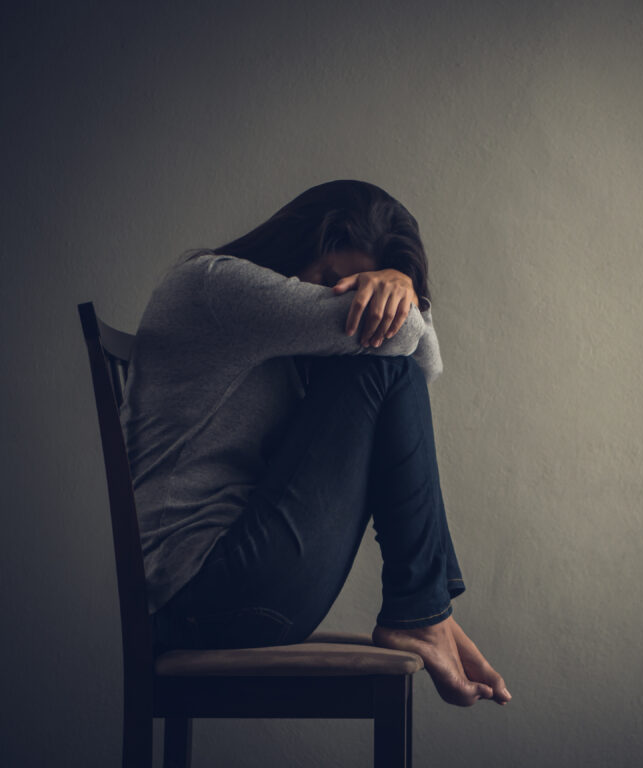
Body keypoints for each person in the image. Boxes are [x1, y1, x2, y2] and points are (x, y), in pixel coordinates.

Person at [121, 180, 510, 707]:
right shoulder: (217, 286)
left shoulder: (282, 345)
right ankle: (423, 611)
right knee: (382, 371)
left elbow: (424, 360)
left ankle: (426, 609)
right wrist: (399, 291)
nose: (347, 295)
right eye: (333, 279)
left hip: (232, 594)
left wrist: (401, 284)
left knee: (380, 370)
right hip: (198, 597)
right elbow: (405, 349)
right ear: (298, 243)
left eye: (362, 286)